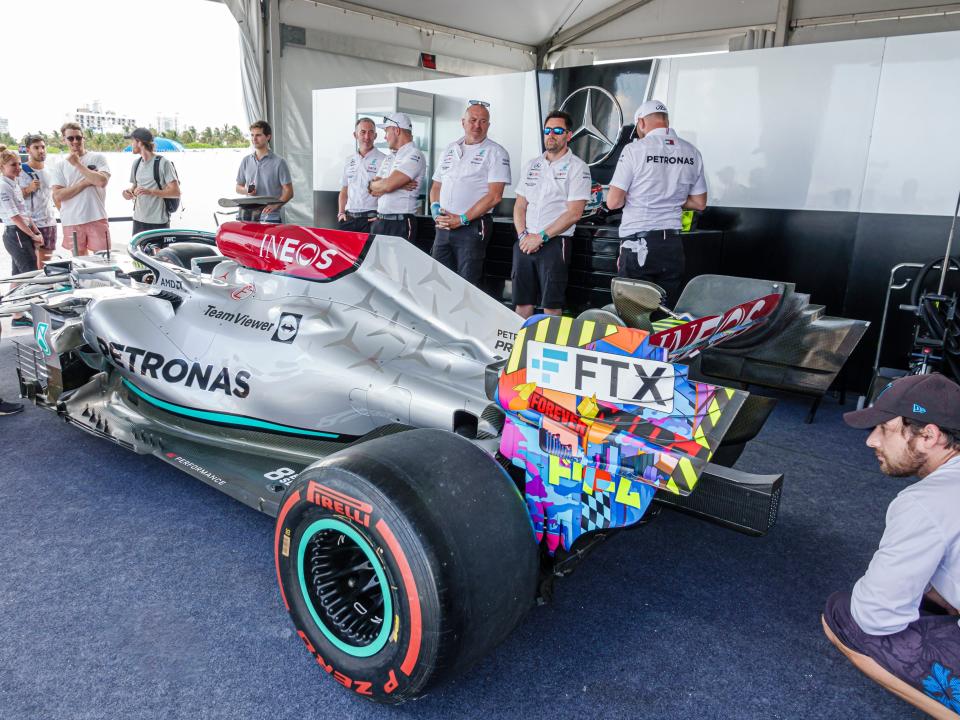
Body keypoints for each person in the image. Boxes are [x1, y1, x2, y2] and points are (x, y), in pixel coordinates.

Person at [823, 373, 960, 719]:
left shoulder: (926, 502)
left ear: (929, 436)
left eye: (884, 429)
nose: (871, 441)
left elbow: (875, 616)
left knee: (842, 617)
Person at [605, 99, 707, 306]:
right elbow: (699, 203)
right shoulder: (692, 152)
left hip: (638, 243)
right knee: (664, 314)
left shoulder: (635, 150)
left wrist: (644, 195)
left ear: (641, 123)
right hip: (672, 245)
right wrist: (671, 197)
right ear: (666, 122)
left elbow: (613, 202)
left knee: (632, 313)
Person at [512, 110, 591, 318]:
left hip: (555, 244)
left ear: (569, 135)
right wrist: (523, 236)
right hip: (524, 242)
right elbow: (520, 205)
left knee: (551, 306)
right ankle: (520, 348)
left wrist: (541, 237)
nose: (551, 135)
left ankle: (548, 349)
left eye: (557, 130)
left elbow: (574, 213)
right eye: (547, 130)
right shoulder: (532, 165)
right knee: (522, 303)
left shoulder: (578, 168)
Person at [430, 101, 511, 285]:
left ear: (488, 125)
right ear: (463, 122)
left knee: (466, 285)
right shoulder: (450, 148)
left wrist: (462, 219)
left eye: (483, 121)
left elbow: (495, 196)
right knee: (437, 280)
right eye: (473, 120)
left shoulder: (496, 152)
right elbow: (436, 186)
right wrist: (435, 209)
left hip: (472, 227)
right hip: (443, 226)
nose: (477, 125)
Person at [50, 123, 111, 256]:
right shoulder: (60, 165)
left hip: (97, 216)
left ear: (84, 138)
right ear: (64, 140)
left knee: (104, 259)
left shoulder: (97, 158)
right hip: (72, 220)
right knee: (80, 262)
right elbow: (58, 195)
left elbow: (101, 181)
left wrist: (77, 164)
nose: (75, 141)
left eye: (78, 137)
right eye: (70, 138)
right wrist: (85, 182)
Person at [0, 145, 43, 328]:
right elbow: (15, 217)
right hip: (16, 233)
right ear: (2, 167)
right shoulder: (3, 186)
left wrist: (36, 231)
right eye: (13, 165)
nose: (18, 168)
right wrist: (33, 235)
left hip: (22, 232)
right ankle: (19, 312)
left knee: (18, 275)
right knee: (29, 274)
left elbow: (24, 212)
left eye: (18, 164)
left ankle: (16, 313)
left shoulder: (14, 183)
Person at [367, 113, 425, 244]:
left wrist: (388, 184)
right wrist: (396, 184)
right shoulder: (389, 157)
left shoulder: (414, 154)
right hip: (380, 221)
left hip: (400, 223)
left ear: (396, 130)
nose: (385, 137)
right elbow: (371, 190)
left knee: (398, 265)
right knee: (377, 265)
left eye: (386, 131)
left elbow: (387, 185)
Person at [121, 128, 180, 235]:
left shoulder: (163, 163)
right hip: (138, 219)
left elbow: (176, 192)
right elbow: (134, 186)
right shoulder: (136, 163)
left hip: (158, 221)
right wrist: (127, 192)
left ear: (139, 142)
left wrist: (150, 192)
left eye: (132, 141)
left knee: (160, 252)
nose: (131, 145)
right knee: (138, 251)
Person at [235, 120, 293, 224]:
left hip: (271, 217)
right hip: (248, 217)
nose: (254, 139)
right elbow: (238, 187)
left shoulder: (279, 162)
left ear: (268, 137)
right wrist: (247, 190)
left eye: (258, 135)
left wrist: (275, 206)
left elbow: (289, 191)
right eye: (252, 135)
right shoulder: (246, 161)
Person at [336, 118, 386, 232]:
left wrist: (381, 216)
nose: (367, 137)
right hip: (348, 218)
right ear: (355, 135)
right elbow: (344, 190)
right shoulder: (349, 160)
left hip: (371, 219)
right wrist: (341, 213)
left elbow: (388, 190)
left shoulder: (384, 160)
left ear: (375, 135)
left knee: (369, 250)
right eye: (363, 132)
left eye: (371, 132)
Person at [18, 134, 57, 268]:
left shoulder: (51, 169)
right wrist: (28, 189)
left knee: (46, 267)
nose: (41, 150)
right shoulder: (20, 171)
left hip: (49, 222)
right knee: (30, 269)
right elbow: (12, 198)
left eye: (43, 147)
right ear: (28, 150)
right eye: (36, 147)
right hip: (30, 224)